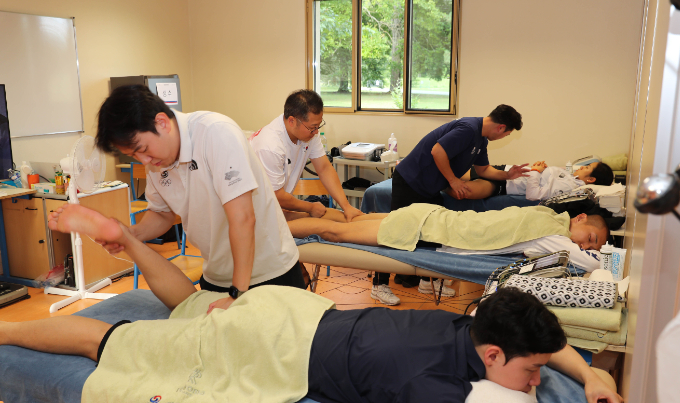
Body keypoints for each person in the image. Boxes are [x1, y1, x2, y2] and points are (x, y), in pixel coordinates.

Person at [0, 204, 621, 403]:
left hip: (296, 311)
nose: (535, 380)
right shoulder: (434, 386)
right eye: (530, 373)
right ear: (492, 354)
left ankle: (129, 239)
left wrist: (588, 372)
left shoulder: (467, 321)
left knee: (192, 301)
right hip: (269, 344)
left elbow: (540, 340)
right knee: (101, 341)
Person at [94, 84, 303, 311]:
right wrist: (130, 234)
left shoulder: (216, 133)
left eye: (142, 149)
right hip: (217, 276)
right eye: (134, 155)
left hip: (268, 273)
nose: (143, 160)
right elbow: (162, 214)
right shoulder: (156, 162)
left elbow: (242, 218)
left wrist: (236, 294)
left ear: (162, 123)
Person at [373, 105, 527, 305]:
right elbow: (438, 151)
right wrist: (453, 181)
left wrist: (507, 175)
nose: (504, 137)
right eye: (507, 134)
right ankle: (379, 285)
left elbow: (484, 170)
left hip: (429, 187)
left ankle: (427, 281)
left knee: (434, 231)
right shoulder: (468, 129)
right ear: (501, 127)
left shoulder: (480, 139)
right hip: (411, 180)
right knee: (395, 231)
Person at [287, 204, 609, 272]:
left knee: (351, 218)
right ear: (579, 218)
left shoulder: (545, 212)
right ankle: (274, 230)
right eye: (591, 237)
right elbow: (589, 264)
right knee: (333, 232)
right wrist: (606, 256)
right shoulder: (553, 234)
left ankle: (282, 219)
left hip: (429, 216)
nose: (587, 246)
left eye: (593, 245)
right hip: (425, 229)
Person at [250, 89, 364, 223]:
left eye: (318, 126)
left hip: (277, 208)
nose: (316, 132)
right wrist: (310, 207)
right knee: (328, 228)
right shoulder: (270, 146)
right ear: (292, 121)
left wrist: (346, 206)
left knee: (336, 218)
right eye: (312, 127)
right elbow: (277, 196)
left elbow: (324, 168)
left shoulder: (309, 134)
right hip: (255, 214)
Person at [447, 161, 615, 201]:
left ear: (591, 179)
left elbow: (533, 194)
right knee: (454, 174)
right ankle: (432, 180)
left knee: (462, 190)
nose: (582, 166)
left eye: (586, 167)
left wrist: (536, 171)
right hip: (506, 170)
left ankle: (434, 188)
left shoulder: (568, 188)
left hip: (505, 185)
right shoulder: (571, 178)